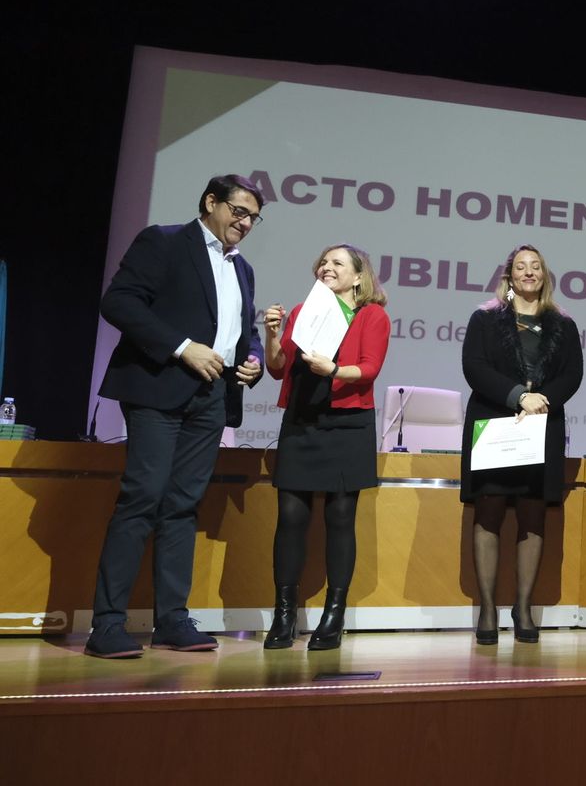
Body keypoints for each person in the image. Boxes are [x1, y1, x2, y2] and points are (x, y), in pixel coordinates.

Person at [87, 174, 265, 659]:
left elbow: (242, 329)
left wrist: (254, 359)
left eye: (253, 217)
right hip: (158, 388)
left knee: (183, 505)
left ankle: (171, 621)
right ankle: (106, 625)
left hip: (212, 397)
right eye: (239, 211)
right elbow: (118, 302)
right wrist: (183, 348)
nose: (245, 223)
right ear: (211, 202)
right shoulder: (165, 241)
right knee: (142, 496)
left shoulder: (242, 268)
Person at [261, 243, 391, 650]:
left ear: (358, 277)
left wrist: (334, 369)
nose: (326, 266)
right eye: (323, 261)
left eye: (337, 263)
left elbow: (369, 368)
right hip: (302, 418)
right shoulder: (302, 311)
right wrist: (270, 335)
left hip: (347, 422)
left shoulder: (372, 315)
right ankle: (284, 614)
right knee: (291, 517)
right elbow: (278, 366)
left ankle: (334, 615)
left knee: (340, 517)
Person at [460, 245, 584, 644]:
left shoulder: (563, 324)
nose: (528, 273)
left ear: (544, 275)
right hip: (495, 423)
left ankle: (524, 607)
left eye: (535, 267)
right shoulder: (485, 318)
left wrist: (542, 399)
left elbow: (572, 375)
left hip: (543, 428)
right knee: (489, 511)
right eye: (520, 267)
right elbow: (475, 369)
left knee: (533, 516)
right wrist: (518, 396)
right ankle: (488, 608)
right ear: (509, 276)